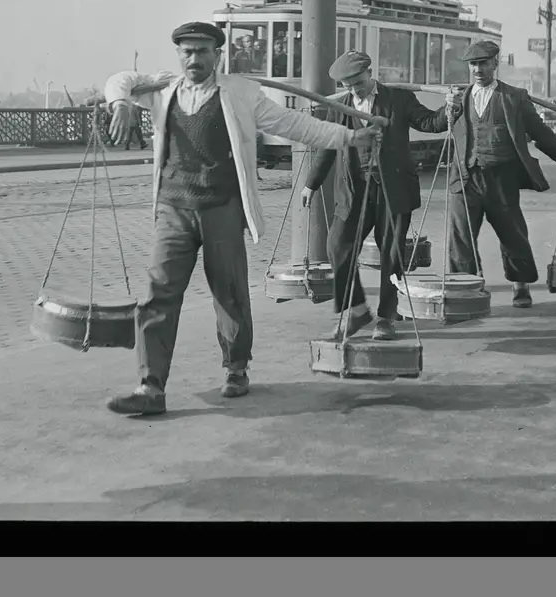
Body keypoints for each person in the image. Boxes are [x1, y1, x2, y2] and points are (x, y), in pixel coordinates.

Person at [102, 21, 382, 415]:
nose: (194, 59)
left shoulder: (240, 93)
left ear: (217, 55)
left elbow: (293, 124)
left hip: (222, 208)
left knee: (229, 291)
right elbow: (120, 80)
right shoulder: (163, 90)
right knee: (157, 295)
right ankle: (151, 386)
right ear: (178, 55)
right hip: (173, 210)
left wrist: (349, 137)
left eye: (202, 51)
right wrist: (120, 103)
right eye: (187, 51)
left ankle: (236, 368)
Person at [301, 50, 453, 341]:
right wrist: (311, 184)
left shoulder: (399, 99)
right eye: (348, 86)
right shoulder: (341, 107)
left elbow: (430, 123)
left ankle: (386, 317)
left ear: (370, 73)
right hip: (354, 190)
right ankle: (357, 310)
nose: (355, 90)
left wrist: (450, 108)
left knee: (391, 254)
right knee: (337, 246)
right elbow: (328, 146)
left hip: (392, 189)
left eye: (359, 82)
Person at [430, 40, 556, 308]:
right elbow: (435, 125)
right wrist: (448, 107)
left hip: (502, 178)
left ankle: (520, 284)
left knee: (512, 233)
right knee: (460, 237)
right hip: (465, 177)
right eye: (473, 64)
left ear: (495, 63)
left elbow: (540, 133)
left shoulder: (514, 97)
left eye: (483, 63)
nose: (478, 69)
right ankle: (464, 286)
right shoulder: (458, 98)